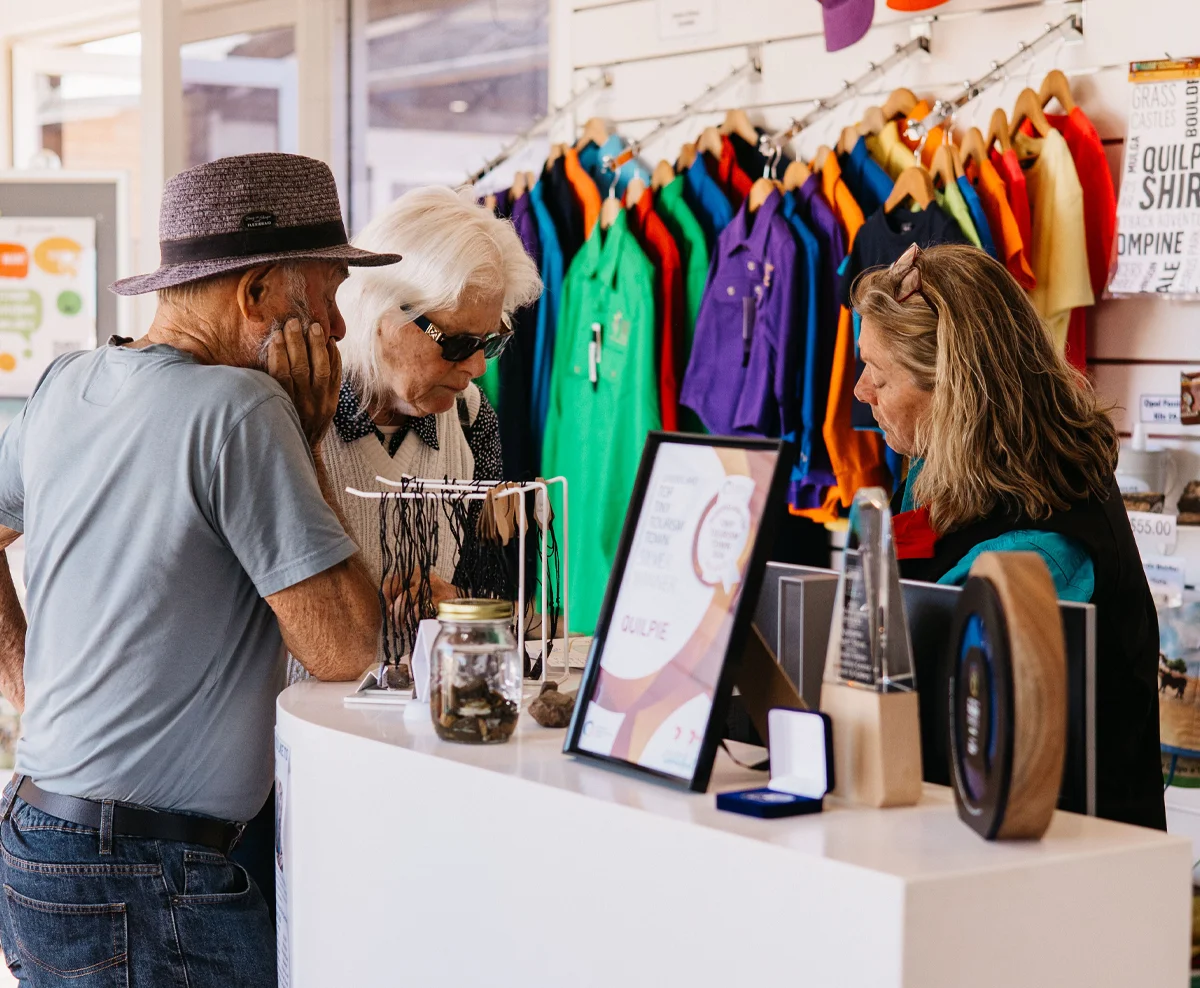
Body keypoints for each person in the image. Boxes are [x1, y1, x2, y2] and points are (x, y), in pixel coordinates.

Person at [0, 152, 399, 986]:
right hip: (150, 876)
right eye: (324, 295)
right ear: (254, 294)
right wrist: (310, 436)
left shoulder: (67, 382)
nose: (335, 328)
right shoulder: (243, 410)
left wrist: (24, 679)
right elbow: (352, 648)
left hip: (39, 837)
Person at [851, 242, 1165, 831]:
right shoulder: (943, 467)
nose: (860, 392)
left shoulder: (1041, 551)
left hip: (1059, 866)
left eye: (880, 374)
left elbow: (962, 725)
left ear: (953, 394)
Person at [286, 187, 541, 684]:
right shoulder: (292, 411)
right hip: (298, 727)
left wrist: (456, 606)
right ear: (384, 314)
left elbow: (490, 594)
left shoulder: (470, 421)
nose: (475, 366)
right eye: (461, 342)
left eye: (491, 341)